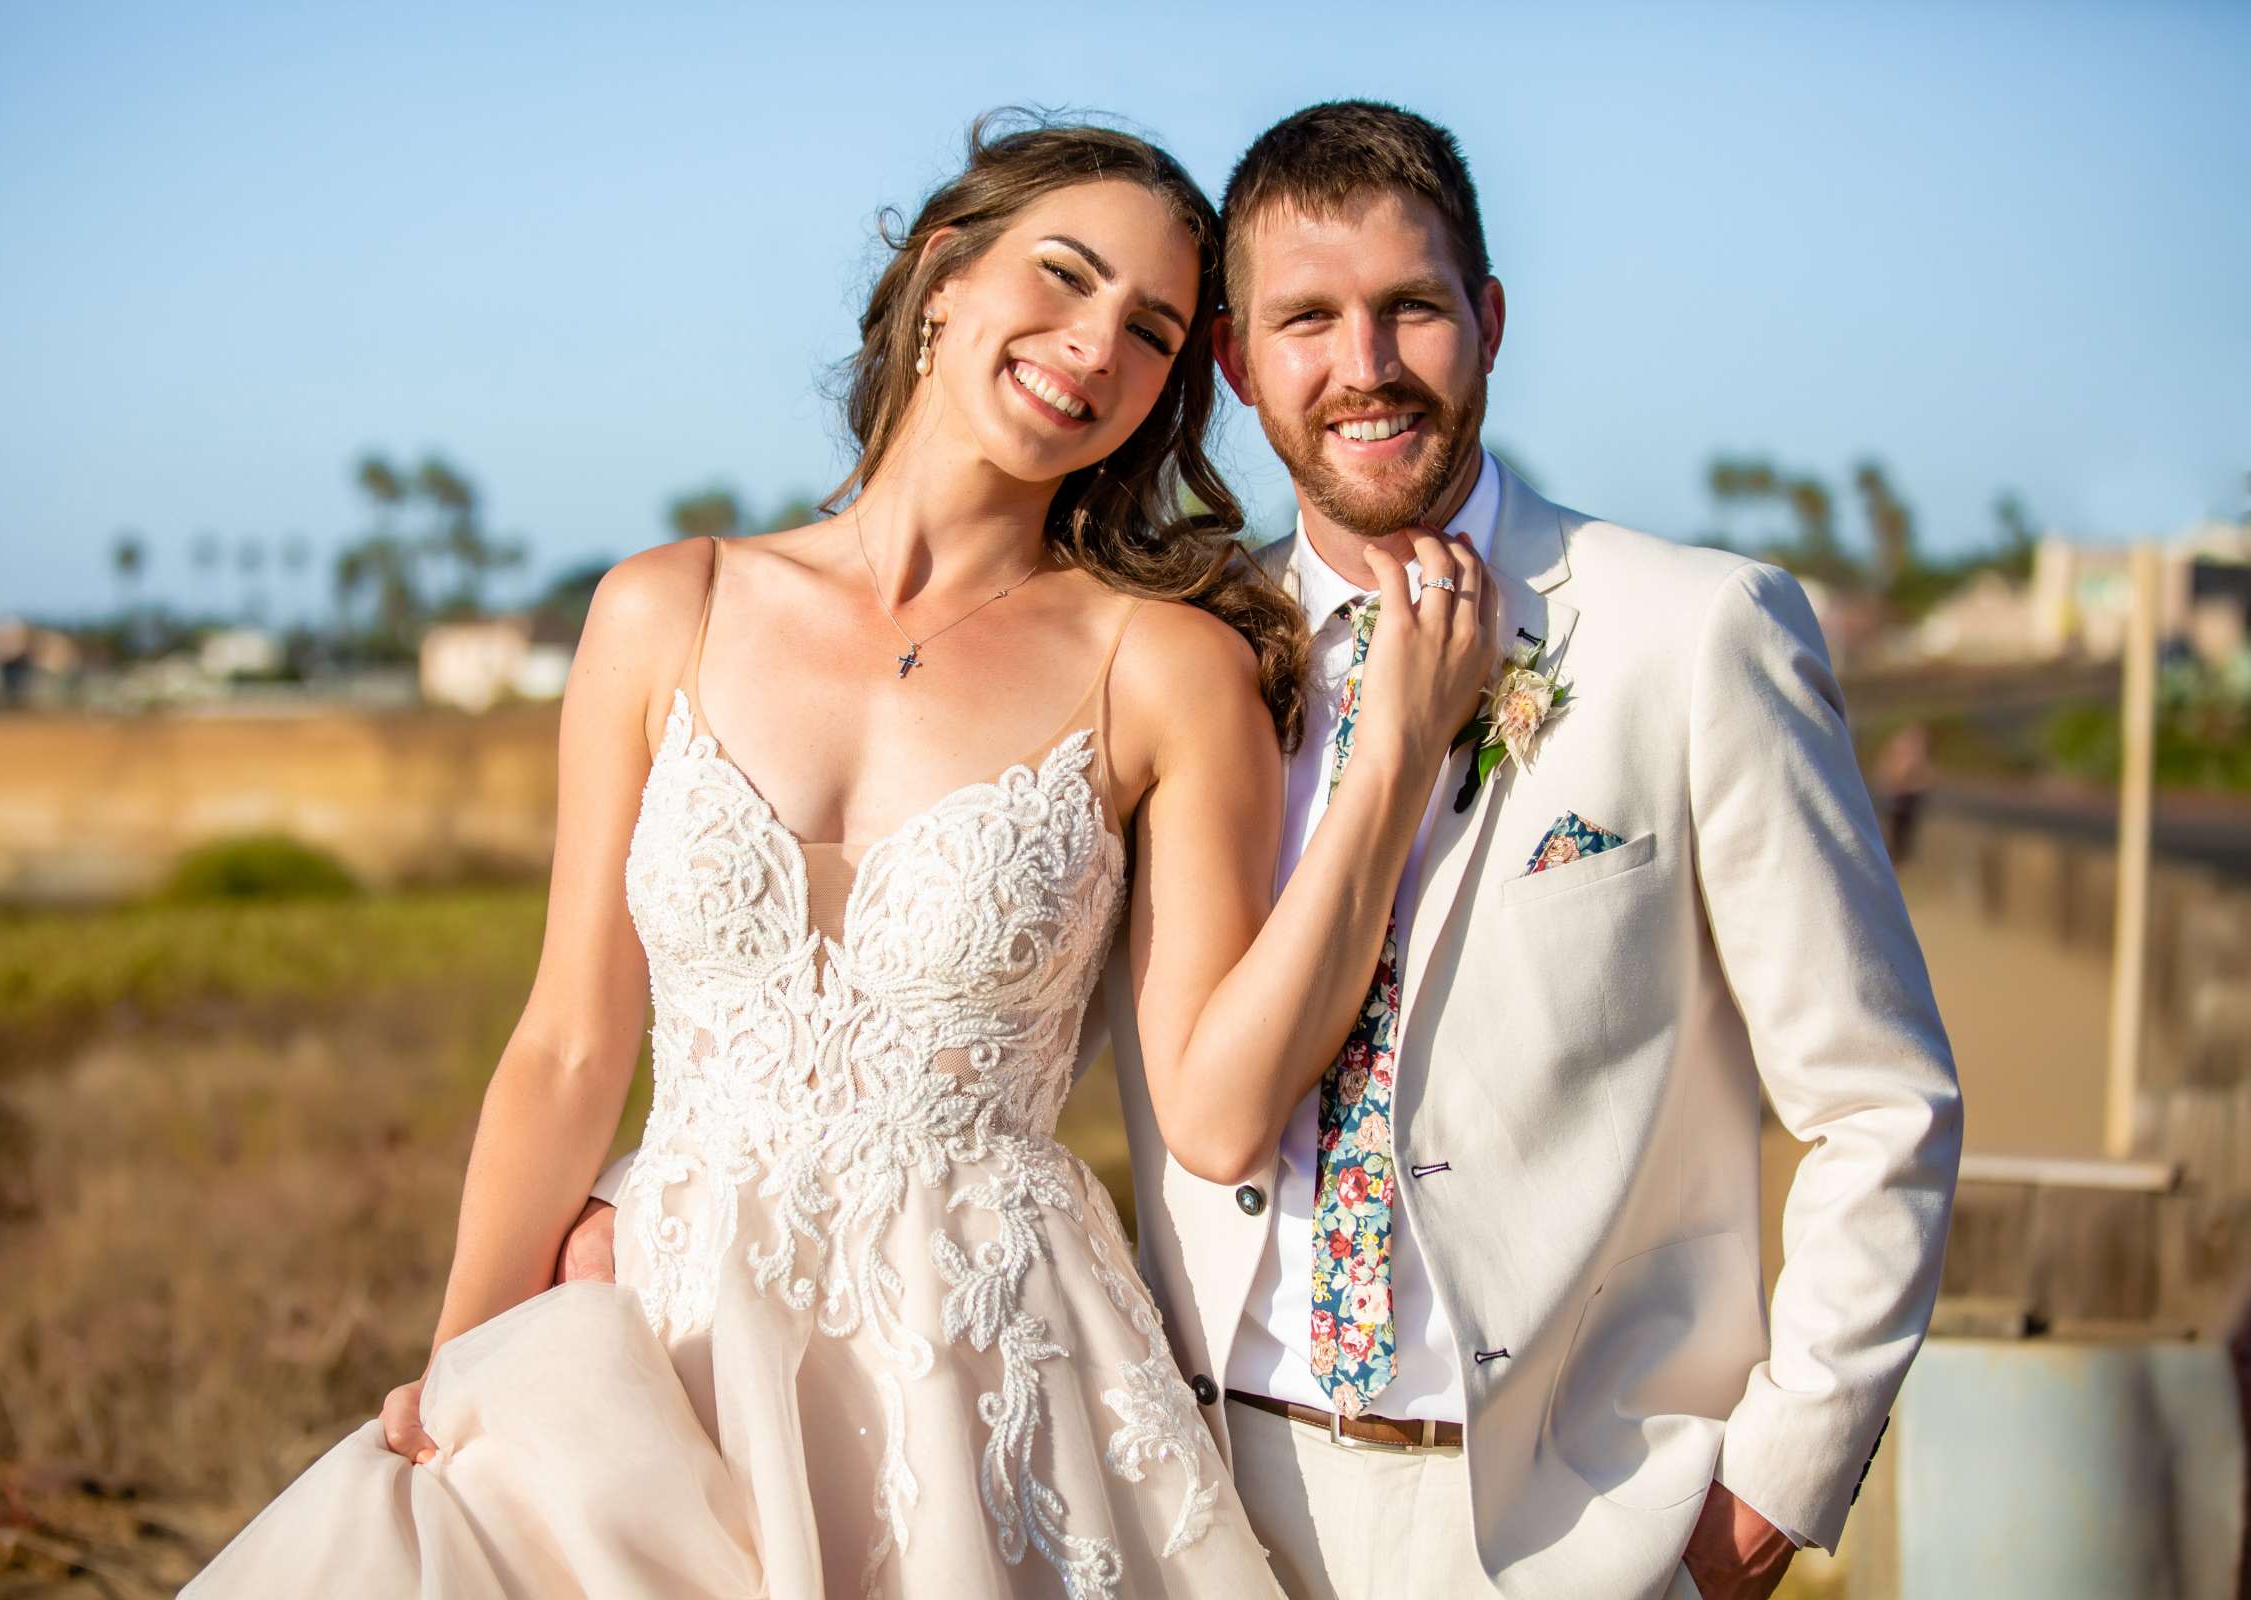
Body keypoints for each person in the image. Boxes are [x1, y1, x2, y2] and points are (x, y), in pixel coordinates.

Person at [570, 100, 1967, 1600]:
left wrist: (1768, 1492)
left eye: (1411, 309)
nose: (1363, 367)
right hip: (1196, 1486)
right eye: (1307, 319)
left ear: (1487, 321)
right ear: (1238, 363)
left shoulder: (1692, 635)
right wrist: (660, 1205)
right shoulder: (1174, 656)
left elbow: (1880, 1101)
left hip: (1569, 1518)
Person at [184, 114, 1501, 1598]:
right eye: (1060, 278)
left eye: (1147, 333)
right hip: (659, 1341)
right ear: (942, 273)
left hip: (978, 1372)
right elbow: (568, 1042)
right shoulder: (660, 608)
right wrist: (465, 1357)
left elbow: (1215, 1106)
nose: (1090, 348)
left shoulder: (1167, 669)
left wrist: (1391, 758)